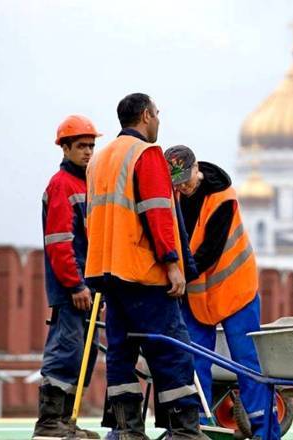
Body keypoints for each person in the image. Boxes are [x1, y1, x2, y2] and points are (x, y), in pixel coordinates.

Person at [85, 93, 202, 439]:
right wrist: (173, 264)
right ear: (146, 115)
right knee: (171, 350)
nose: (159, 120)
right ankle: (183, 431)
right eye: (158, 114)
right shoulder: (146, 154)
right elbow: (157, 214)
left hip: (107, 273)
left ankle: (127, 431)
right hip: (143, 273)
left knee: (120, 353)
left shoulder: (100, 159)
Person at [163, 145, 281, 440]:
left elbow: (208, 253)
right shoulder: (174, 196)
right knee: (193, 362)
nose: (184, 188)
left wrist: (176, 275)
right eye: (176, 183)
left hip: (235, 290)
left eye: (186, 180)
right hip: (197, 293)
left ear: (196, 169)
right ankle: (200, 430)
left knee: (248, 364)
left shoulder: (223, 199)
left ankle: (264, 433)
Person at [34, 115, 102, 440]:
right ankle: (50, 423)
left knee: (84, 356)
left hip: (89, 287)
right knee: (66, 351)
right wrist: (75, 284)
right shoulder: (62, 185)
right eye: (82, 146)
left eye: (91, 146)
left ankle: (67, 423)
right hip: (72, 288)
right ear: (65, 148)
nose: (88, 152)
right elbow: (60, 242)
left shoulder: (87, 184)